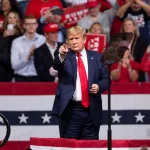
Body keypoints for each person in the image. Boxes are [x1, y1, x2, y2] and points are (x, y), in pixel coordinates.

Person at [52, 25, 108, 139]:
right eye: (71, 39)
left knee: (90, 147)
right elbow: (57, 64)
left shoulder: (97, 57)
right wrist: (61, 55)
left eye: (77, 38)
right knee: (69, 147)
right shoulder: (64, 55)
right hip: (70, 111)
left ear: (84, 39)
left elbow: (106, 79)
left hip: (91, 111)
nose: (74, 42)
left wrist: (99, 86)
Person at [11, 15, 46, 82]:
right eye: (28, 24)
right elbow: (14, 66)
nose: (31, 26)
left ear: (37, 25)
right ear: (24, 26)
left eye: (33, 24)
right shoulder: (16, 42)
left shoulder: (43, 40)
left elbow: (47, 62)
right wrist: (28, 56)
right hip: (20, 78)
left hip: (38, 78)